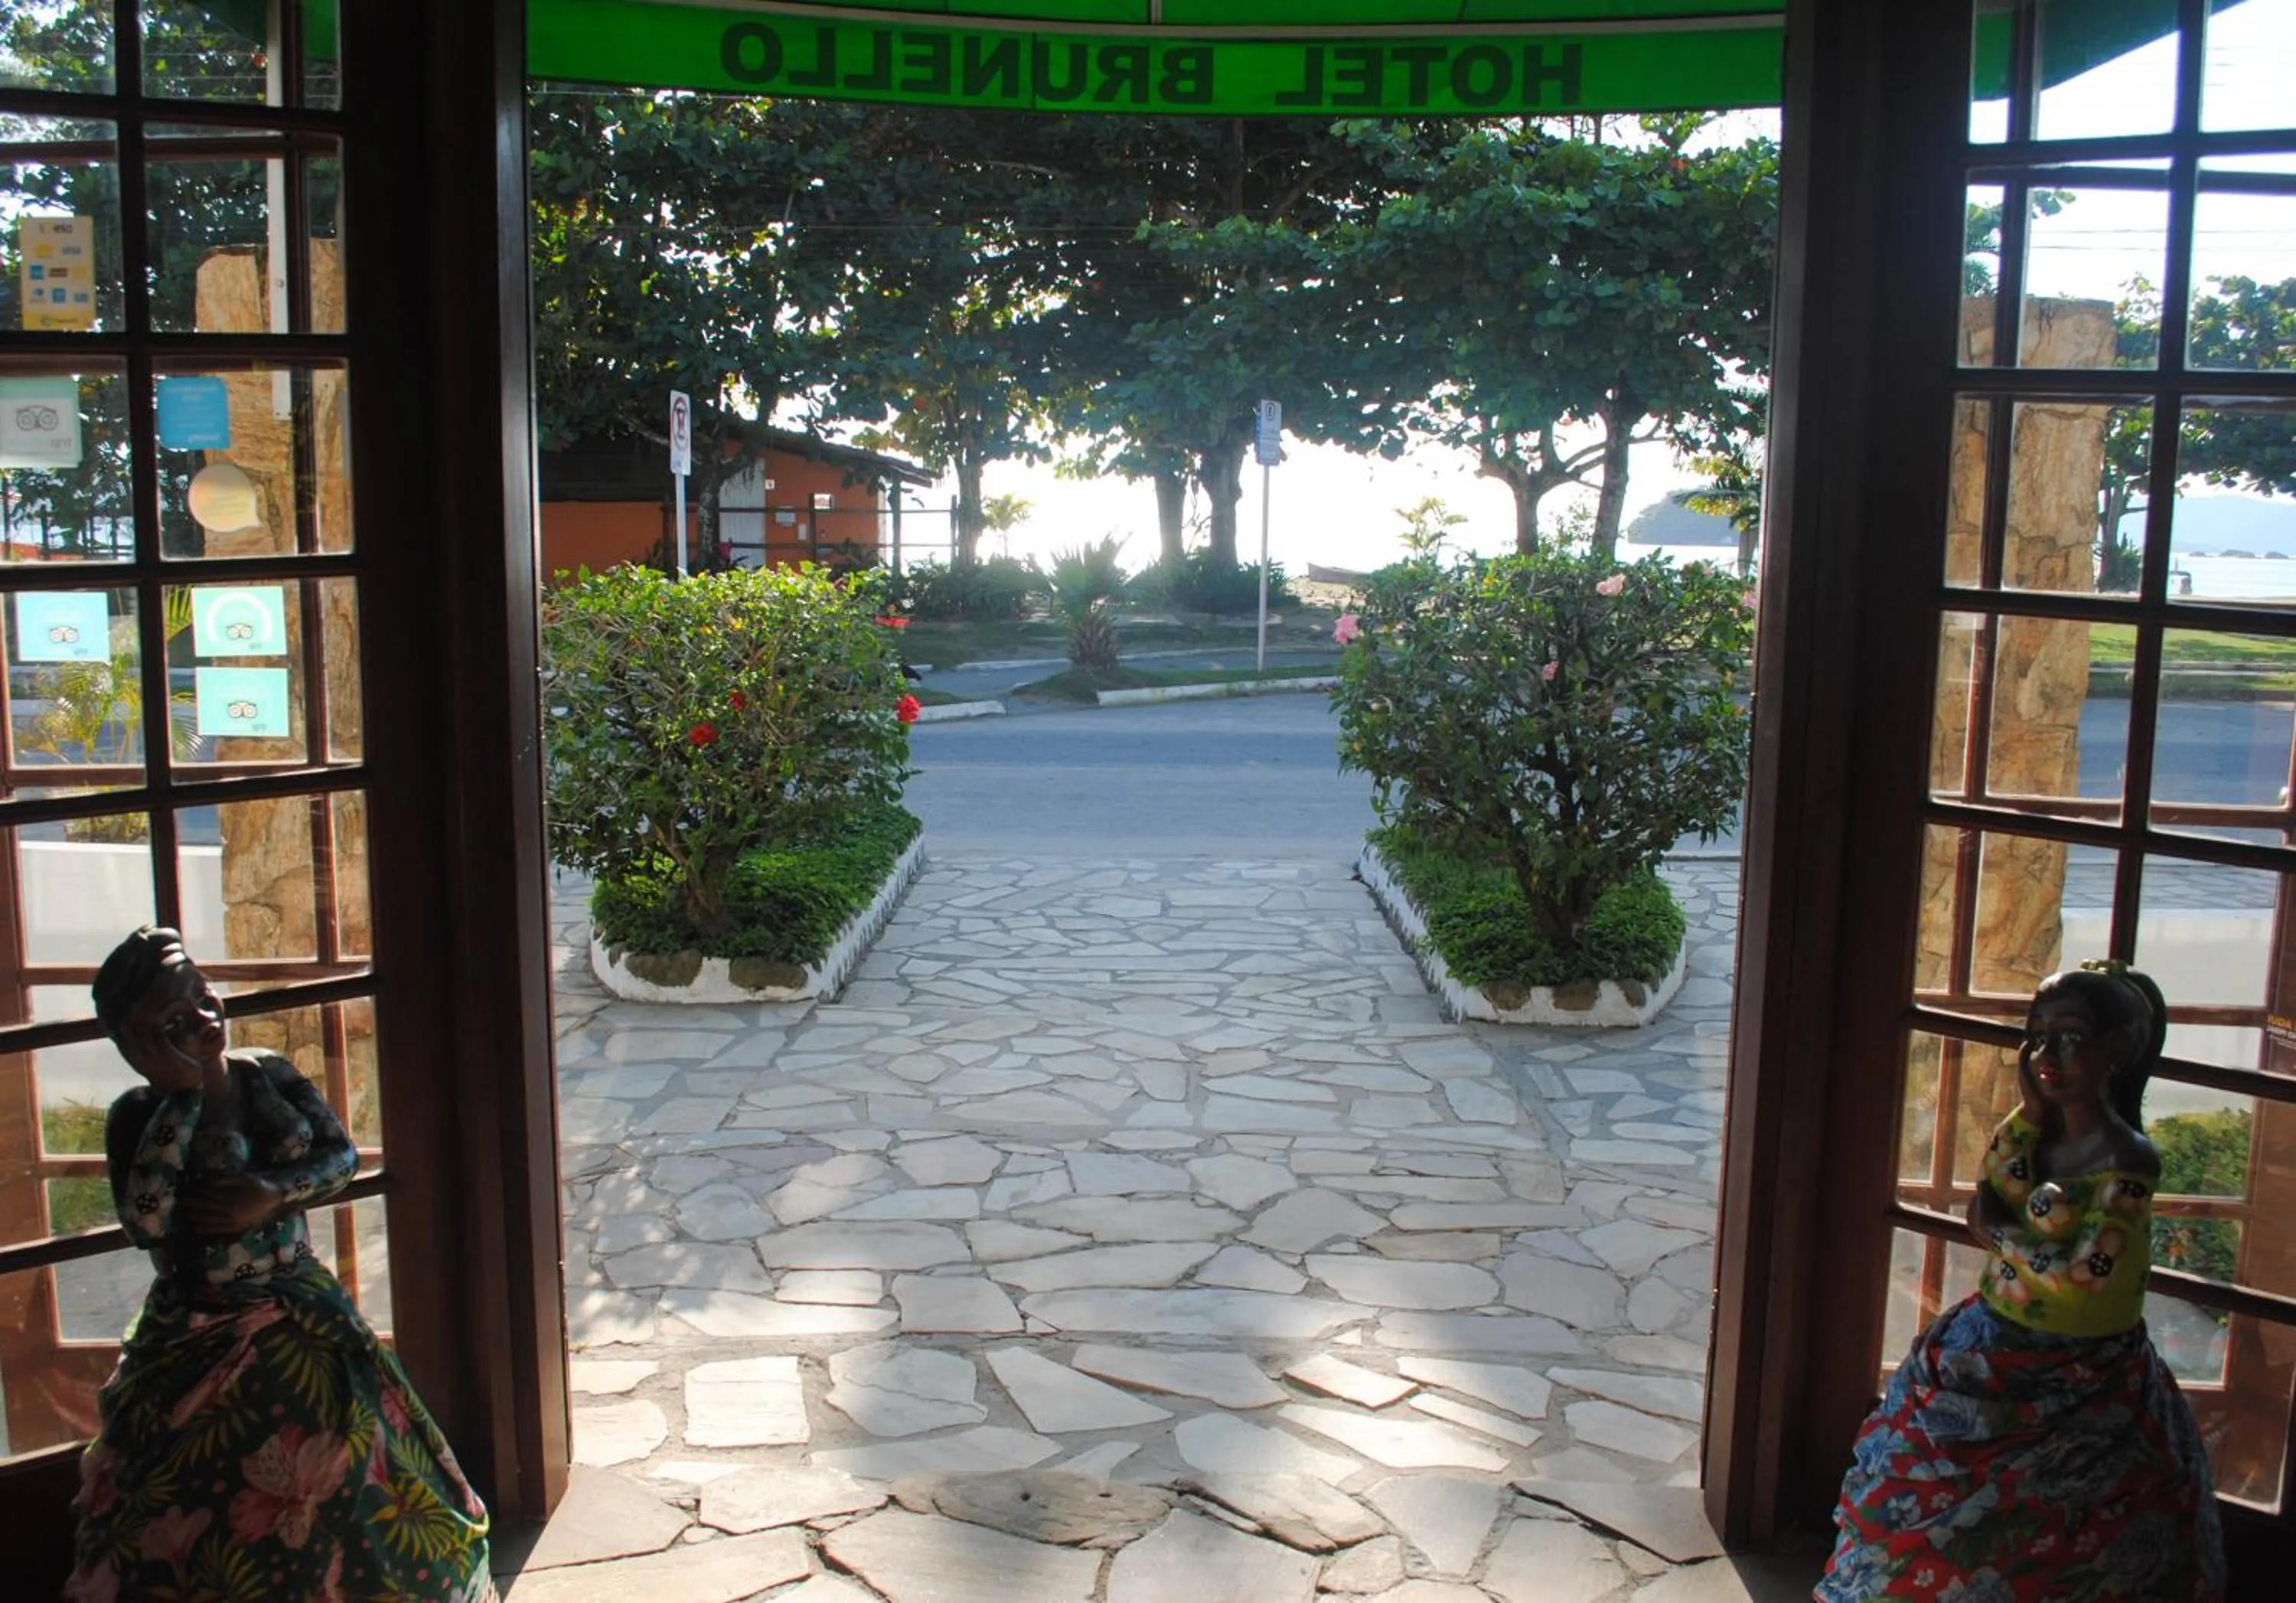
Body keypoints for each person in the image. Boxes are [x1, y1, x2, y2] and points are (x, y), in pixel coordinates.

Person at [66, 927, 494, 1602]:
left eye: (204, 997)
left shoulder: (265, 1074)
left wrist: (271, 1194)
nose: (206, 1021)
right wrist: (182, 1097)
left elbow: (341, 1158)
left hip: (302, 1314)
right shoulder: (137, 1117)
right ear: (137, 1044)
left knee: (345, 1460)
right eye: (176, 1022)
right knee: (197, 1490)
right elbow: (144, 1220)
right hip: (196, 1330)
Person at [1815, 960, 2226, 1601]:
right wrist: (2030, 1115)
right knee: (1916, 1480)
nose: (2044, 1054)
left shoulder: (2128, 1160)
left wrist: (2001, 1233)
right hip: (1992, 1339)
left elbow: (2081, 1275)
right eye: (2035, 1036)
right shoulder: (2039, 1133)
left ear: (2116, 1051)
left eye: (2068, 1037)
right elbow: (1996, 1185)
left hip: (2086, 1364)